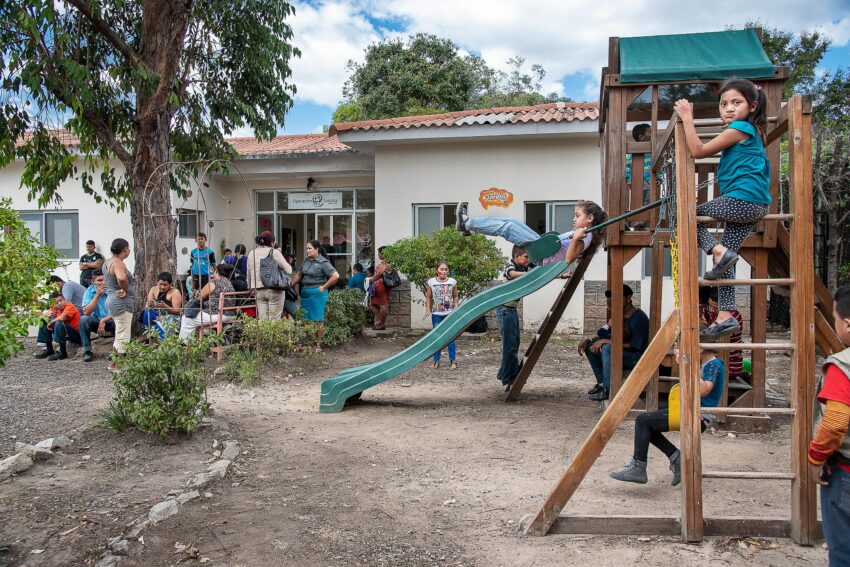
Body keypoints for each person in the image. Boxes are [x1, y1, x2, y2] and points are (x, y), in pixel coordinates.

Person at [674, 78, 770, 342]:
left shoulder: (740, 128)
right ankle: (726, 314)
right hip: (756, 204)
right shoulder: (751, 130)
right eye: (724, 103)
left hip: (742, 200)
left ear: (752, 106)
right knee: (727, 260)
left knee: (685, 215)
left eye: (736, 103)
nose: (728, 108)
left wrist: (687, 118)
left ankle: (716, 250)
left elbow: (698, 150)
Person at [609, 347, 724, 486]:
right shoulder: (706, 364)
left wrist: (686, 364)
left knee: (642, 421)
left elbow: (704, 389)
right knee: (647, 425)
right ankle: (675, 457)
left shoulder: (714, 365)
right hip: (690, 410)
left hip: (698, 416)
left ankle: (639, 467)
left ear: (699, 348)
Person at [809, 284, 850, 565]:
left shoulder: (842, 366)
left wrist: (815, 458)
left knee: (842, 551)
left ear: (847, 323)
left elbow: (835, 421)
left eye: (834, 318)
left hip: (845, 473)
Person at [455, 200, 608, 266]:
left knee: (507, 228)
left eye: (577, 215)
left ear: (590, 218)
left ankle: (467, 223)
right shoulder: (584, 233)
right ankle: (467, 226)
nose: (574, 219)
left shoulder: (584, 237)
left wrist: (575, 239)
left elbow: (568, 260)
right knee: (512, 222)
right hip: (543, 246)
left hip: (542, 253)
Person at [581, 284, 650, 401]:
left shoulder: (639, 318)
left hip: (635, 357)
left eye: (617, 297)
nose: (613, 301)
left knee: (608, 348)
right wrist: (590, 340)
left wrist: (604, 341)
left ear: (628, 299)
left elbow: (632, 345)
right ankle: (602, 384)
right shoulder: (618, 315)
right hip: (620, 353)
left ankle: (608, 390)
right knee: (590, 346)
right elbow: (606, 334)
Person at [291, 240, 340, 350]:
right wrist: (290, 285)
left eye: (310, 248)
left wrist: (324, 287)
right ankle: (309, 343)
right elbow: (299, 274)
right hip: (305, 294)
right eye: (307, 248)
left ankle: (318, 345)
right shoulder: (306, 260)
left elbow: (335, 276)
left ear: (316, 249)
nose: (307, 250)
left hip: (317, 295)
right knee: (306, 319)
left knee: (318, 319)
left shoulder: (323, 262)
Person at [497, 245, 531, 389]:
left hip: (511, 310)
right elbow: (511, 274)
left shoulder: (525, 268)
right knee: (509, 345)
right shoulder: (510, 266)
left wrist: (561, 275)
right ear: (517, 257)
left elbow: (543, 272)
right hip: (504, 309)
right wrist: (531, 275)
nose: (528, 260)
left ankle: (505, 373)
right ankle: (508, 378)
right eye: (526, 257)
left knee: (514, 343)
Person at [179, 263, 236, 341]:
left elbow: (199, 298)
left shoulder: (214, 283)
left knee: (187, 319)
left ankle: (185, 344)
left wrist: (196, 294)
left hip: (216, 314)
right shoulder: (229, 284)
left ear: (216, 271)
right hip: (230, 314)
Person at [104, 238, 135, 371]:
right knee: (123, 335)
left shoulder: (107, 262)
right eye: (128, 248)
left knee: (119, 332)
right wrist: (127, 289)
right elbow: (121, 278)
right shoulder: (118, 263)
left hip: (111, 298)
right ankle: (118, 366)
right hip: (120, 302)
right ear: (125, 249)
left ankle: (114, 363)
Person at [247, 231, 292, 320]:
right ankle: (273, 335)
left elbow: (248, 272)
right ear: (272, 242)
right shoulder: (274, 252)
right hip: (274, 289)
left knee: (263, 321)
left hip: (258, 290)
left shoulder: (252, 253)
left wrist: (250, 287)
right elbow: (289, 270)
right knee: (274, 320)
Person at [701, 287, 744, 379]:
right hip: (714, 359)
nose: (711, 310)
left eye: (715, 308)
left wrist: (706, 328)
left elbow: (714, 339)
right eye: (710, 305)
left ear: (724, 307)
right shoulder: (707, 310)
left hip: (730, 365)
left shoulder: (733, 319)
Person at [425, 260, 459, 369]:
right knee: (437, 337)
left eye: (446, 269)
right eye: (441, 269)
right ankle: (436, 361)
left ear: (448, 271)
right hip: (437, 314)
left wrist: (456, 308)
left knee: (451, 338)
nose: (444, 271)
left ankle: (453, 361)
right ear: (437, 271)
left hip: (450, 313)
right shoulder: (431, 282)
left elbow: (455, 296)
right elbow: (429, 296)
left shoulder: (453, 281)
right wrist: (427, 309)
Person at [79, 269, 114, 362]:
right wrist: (97, 295)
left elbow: (118, 311)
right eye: (99, 280)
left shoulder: (113, 290)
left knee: (120, 320)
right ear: (93, 282)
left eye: (105, 280)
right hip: (96, 321)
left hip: (111, 319)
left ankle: (117, 351)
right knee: (83, 319)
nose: (103, 283)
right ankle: (87, 351)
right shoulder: (89, 291)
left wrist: (104, 321)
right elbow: (86, 312)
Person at [34, 292, 82, 361]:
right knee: (44, 320)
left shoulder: (69, 306)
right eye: (56, 302)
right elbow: (39, 315)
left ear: (64, 300)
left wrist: (51, 322)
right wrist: (45, 314)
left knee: (59, 322)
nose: (59, 303)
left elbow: (62, 318)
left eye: (61, 300)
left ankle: (62, 352)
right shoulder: (55, 308)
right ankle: (49, 350)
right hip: (66, 334)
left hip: (77, 335)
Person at [139, 272, 183, 338]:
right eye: (160, 284)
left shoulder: (175, 292)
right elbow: (147, 306)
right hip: (156, 314)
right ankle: (148, 334)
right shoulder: (154, 289)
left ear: (170, 284)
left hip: (170, 317)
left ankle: (160, 338)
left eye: (165, 285)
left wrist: (165, 307)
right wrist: (151, 304)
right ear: (157, 282)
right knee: (147, 313)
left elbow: (177, 312)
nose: (162, 287)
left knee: (163, 321)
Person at [369, 247, 391, 330]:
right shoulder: (388, 262)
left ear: (383, 253)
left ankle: (381, 323)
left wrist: (370, 280)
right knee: (372, 304)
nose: (378, 255)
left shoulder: (385, 263)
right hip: (383, 285)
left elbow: (379, 274)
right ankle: (381, 322)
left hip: (380, 285)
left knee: (382, 305)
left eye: (379, 253)